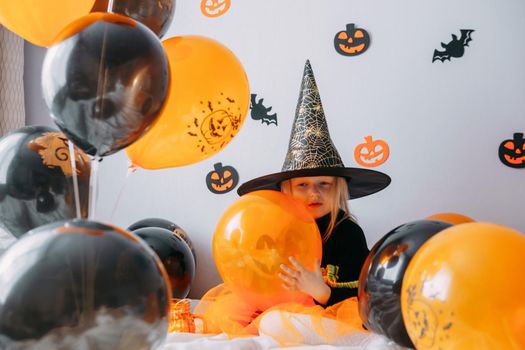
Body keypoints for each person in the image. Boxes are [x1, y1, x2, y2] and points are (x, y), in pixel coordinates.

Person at [196, 60, 390, 344]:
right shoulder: (276, 229)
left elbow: (362, 294)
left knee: (279, 322)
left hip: (327, 312)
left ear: (338, 189)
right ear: (287, 189)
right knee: (231, 311)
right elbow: (255, 270)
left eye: (324, 185)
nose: (314, 194)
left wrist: (320, 290)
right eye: (303, 186)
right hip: (274, 306)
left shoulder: (347, 233)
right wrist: (255, 296)